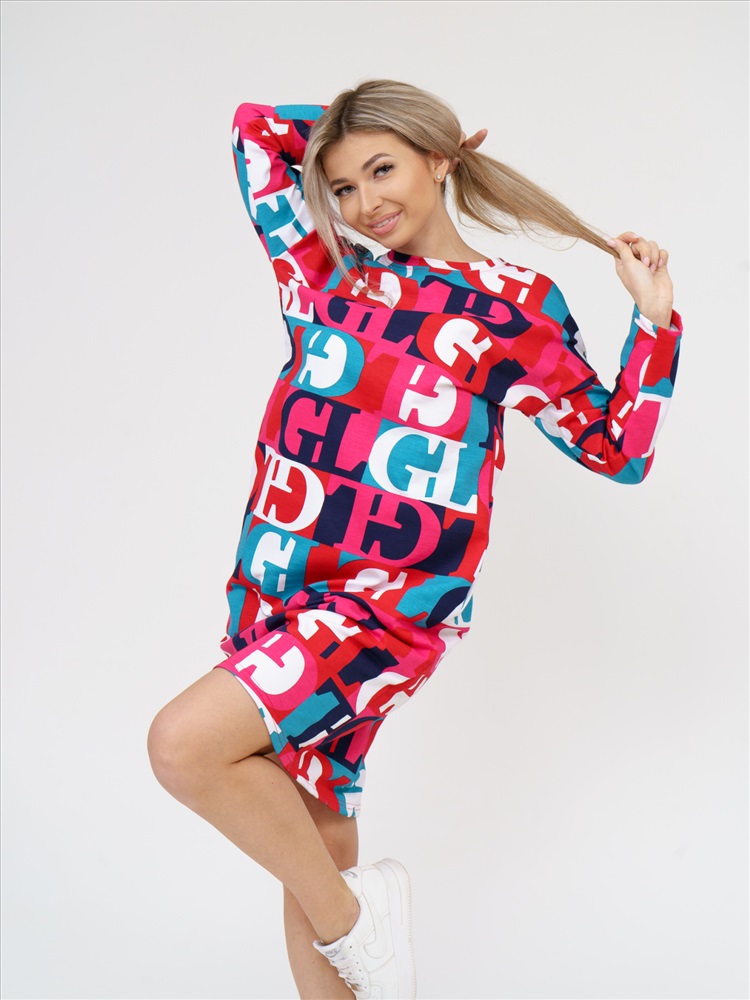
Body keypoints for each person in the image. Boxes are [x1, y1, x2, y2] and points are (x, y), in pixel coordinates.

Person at [147, 79, 681, 999]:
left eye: (384, 169)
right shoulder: (324, 272)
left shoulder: (515, 306)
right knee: (315, 846)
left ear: (440, 162)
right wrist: (361, 129)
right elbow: (253, 131)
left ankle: (361, 924)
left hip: (387, 605)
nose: (364, 201)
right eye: (343, 186)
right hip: (276, 586)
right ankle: (354, 932)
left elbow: (618, 448)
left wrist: (654, 321)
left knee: (183, 746)